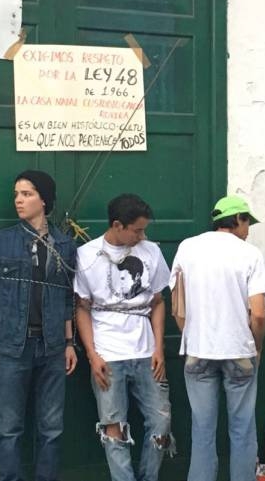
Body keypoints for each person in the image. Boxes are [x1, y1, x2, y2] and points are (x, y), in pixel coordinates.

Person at [0, 170, 78, 481]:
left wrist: (69, 343)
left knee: (52, 428)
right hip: (12, 345)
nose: (18, 201)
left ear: (43, 199)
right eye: (16, 195)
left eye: (27, 194)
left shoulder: (64, 244)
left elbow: (67, 297)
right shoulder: (0, 241)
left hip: (52, 347)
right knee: (9, 427)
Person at [169, 195, 265, 481]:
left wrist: (192, 336)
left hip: (198, 352)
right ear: (237, 219)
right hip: (239, 351)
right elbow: (259, 314)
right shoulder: (250, 254)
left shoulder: (187, 247)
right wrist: (257, 347)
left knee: (202, 429)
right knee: (242, 429)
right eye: (247, 223)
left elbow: (177, 307)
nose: (248, 231)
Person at [73, 193, 174, 481]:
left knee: (161, 422)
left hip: (146, 352)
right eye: (137, 230)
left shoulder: (151, 251)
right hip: (108, 353)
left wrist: (158, 348)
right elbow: (82, 307)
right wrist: (92, 355)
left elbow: (158, 301)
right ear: (117, 225)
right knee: (113, 426)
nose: (142, 236)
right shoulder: (87, 255)